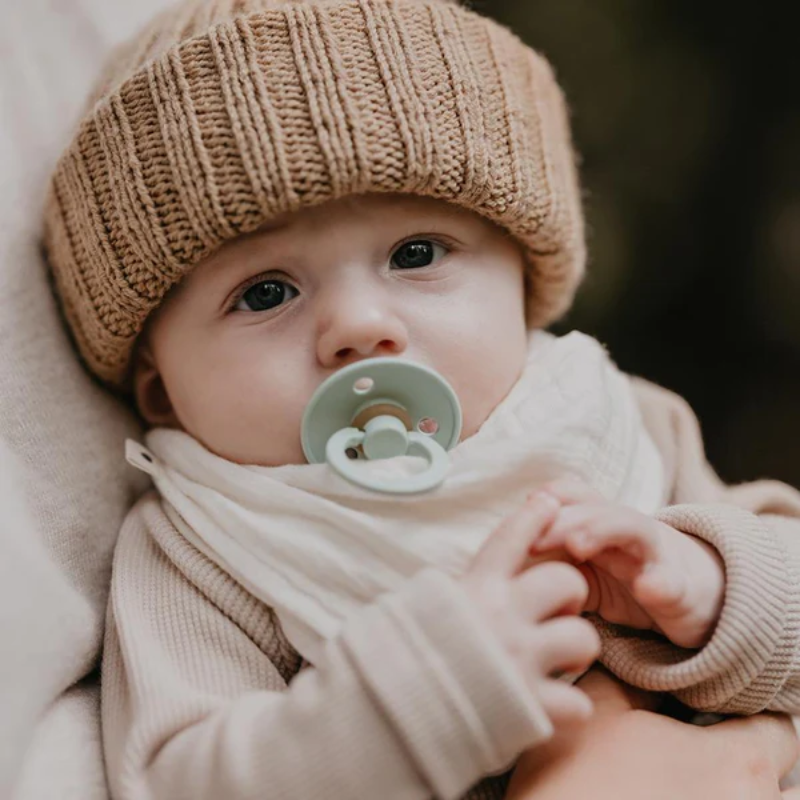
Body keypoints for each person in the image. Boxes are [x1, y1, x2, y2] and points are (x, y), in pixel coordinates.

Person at [42, 0, 800, 797]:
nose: (360, 326)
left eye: (415, 252)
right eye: (265, 292)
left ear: (524, 283)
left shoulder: (621, 424)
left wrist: (712, 588)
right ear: (162, 391)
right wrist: (419, 699)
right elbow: (174, 783)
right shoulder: (205, 549)